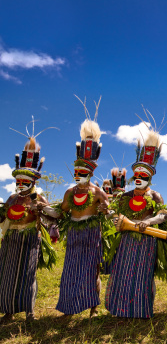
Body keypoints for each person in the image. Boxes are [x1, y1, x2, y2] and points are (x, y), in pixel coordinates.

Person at [41, 103, 110, 318]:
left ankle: (93, 308)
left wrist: (105, 209)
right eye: (76, 170)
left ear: (90, 172)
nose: (78, 174)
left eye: (82, 171)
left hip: (92, 235)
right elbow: (61, 213)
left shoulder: (98, 192)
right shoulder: (69, 193)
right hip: (74, 235)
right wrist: (44, 210)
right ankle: (69, 308)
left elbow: (107, 213)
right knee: (70, 272)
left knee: (91, 271)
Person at [105, 125, 167, 318]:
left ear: (150, 176)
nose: (139, 178)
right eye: (137, 175)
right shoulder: (125, 196)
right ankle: (120, 309)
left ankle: (141, 310)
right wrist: (108, 214)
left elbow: (163, 215)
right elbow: (115, 214)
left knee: (142, 276)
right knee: (122, 273)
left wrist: (149, 222)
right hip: (126, 240)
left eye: (144, 175)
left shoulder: (156, 196)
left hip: (147, 240)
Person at [0, 128, 55, 323]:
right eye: (18, 180)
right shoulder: (12, 198)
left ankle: (29, 311)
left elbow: (54, 217)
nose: (20, 183)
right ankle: (8, 311)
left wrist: (42, 208)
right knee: (6, 275)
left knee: (28, 275)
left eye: (25, 181)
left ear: (32, 181)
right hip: (11, 239)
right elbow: (2, 218)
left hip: (30, 239)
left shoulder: (39, 197)